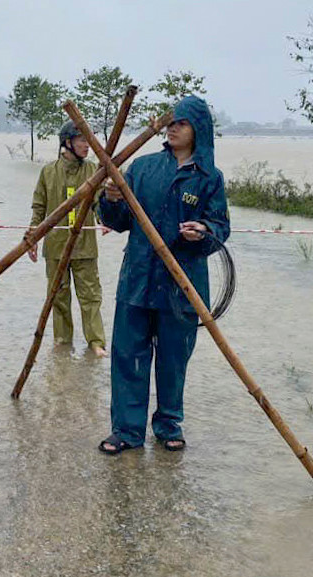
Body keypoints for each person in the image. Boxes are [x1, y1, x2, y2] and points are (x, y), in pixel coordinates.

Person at [96, 96, 230, 454]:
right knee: (128, 356)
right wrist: (110, 200)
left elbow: (221, 228)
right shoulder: (142, 168)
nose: (172, 128)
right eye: (170, 122)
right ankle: (126, 430)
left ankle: (169, 423)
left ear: (198, 131)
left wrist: (203, 231)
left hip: (182, 284)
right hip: (138, 279)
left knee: (173, 359)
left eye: (181, 123)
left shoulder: (209, 179)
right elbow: (116, 222)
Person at [27, 121, 107, 356]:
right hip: (55, 247)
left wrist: (105, 218)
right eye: (82, 140)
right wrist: (32, 237)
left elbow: (101, 202)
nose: (87, 146)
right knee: (58, 297)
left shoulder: (93, 170)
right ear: (67, 142)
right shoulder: (48, 171)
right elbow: (38, 207)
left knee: (91, 297)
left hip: (85, 248)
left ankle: (96, 342)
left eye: (89, 140)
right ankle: (62, 342)